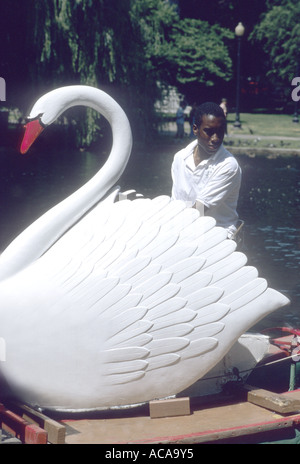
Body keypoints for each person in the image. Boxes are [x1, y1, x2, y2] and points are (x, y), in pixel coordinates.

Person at [171, 101, 242, 239]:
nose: (215, 138)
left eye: (220, 132)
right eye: (209, 132)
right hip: (186, 229)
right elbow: (176, 203)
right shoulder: (180, 158)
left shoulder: (229, 166)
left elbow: (200, 209)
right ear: (195, 129)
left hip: (219, 235)